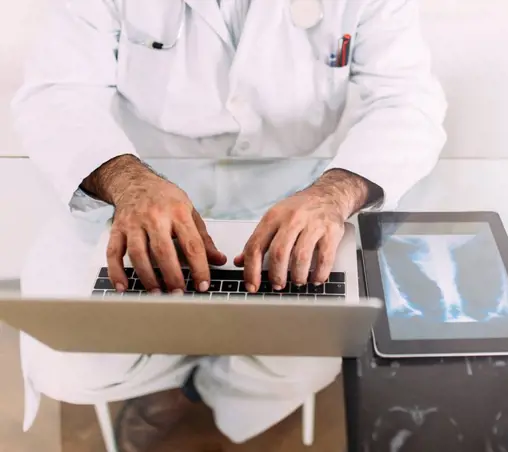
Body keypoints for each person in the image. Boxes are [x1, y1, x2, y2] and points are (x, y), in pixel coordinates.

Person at [12, 0, 446, 449]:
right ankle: (166, 382)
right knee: (70, 361)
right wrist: (128, 182)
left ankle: (202, 391)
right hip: (135, 187)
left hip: (292, 194)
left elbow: (407, 101)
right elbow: (56, 92)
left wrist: (334, 193)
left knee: (304, 360)